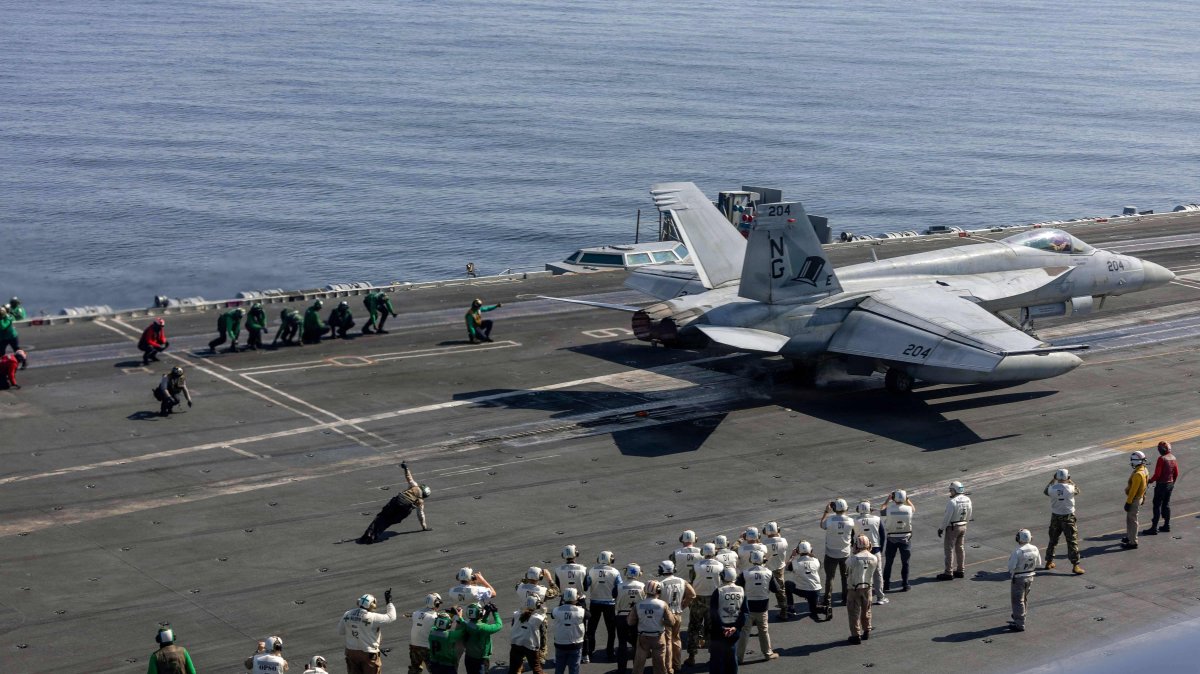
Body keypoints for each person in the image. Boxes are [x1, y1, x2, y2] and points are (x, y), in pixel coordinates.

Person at [358, 462, 431, 543]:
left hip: (398, 500)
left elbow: (409, 477)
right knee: (388, 521)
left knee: (381, 516)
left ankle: (367, 535)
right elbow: (421, 515)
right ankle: (373, 537)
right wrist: (424, 527)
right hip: (405, 509)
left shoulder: (415, 486)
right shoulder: (420, 501)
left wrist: (406, 468)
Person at [735, 550, 779, 663]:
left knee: (745, 631)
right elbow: (776, 589)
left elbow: (737, 587)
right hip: (762, 606)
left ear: (751, 560)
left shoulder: (745, 573)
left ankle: (738, 657)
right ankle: (768, 653)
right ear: (763, 559)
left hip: (748, 606)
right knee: (763, 630)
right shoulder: (768, 572)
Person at [338, 591, 397, 674]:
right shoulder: (372, 617)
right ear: (372, 605)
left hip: (351, 652)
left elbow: (341, 631)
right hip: (368, 653)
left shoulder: (347, 614)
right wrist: (389, 602)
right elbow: (391, 617)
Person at [686, 543, 723, 666]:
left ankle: (691, 656)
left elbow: (691, 579)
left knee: (694, 628)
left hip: (698, 599)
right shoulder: (720, 566)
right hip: (713, 599)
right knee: (712, 629)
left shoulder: (696, 566)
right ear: (714, 552)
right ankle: (713, 655)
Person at [629, 580, 676, 674]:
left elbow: (630, 622)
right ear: (658, 591)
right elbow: (671, 622)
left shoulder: (638, 605)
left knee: (638, 664)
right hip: (658, 637)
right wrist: (661, 621)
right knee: (660, 666)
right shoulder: (663, 604)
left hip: (643, 637)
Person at [1044, 468, 1085, 575]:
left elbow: (1045, 491)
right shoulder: (1070, 488)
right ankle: (1075, 565)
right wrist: (1070, 480)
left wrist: (1053, 480)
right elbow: (1078, 490)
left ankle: (1049, 561)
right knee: (1072, 541)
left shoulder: (1052, 489)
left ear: (1057, 477)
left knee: (1053, 540)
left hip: (1056, 516)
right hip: (1068, 517)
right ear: (1067, 477)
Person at [657, 560, 695, 674]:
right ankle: (677, 664)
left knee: (667, 641)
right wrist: (682, 605)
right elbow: (692, 594)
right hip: (677, 613)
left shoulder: (661, 584)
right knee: (676, 639)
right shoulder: (682, 581)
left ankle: (668, 667)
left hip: (665, 615)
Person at [708, 567, 746, 674]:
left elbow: (713, 613)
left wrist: (722, 628)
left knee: (716, 658)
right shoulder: (741, 590)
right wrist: (736, 627)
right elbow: (745, 612)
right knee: (732, 657)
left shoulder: (718, 591)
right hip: (734, 630)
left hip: (719, 630)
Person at [585, 551, 620, 662]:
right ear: (611, 560)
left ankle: (589, 651)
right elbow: (619, 587)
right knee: (611, 630)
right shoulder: (615, 572)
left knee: (591, 629)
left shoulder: (592, 570)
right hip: (609, 603)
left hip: (595, 602)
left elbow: (586, 585)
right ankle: (610, 652)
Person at [820, 498, 854, 610]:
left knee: (830, 578)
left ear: (834, 509)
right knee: (845, 577)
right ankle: (845, 598)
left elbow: (822, 525)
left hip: (831, 553)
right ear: (846, 509)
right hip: (845, 553)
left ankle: (827, 600)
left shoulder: (830, 520)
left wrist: (826, 511)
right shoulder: (850, 521)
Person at [852, 501, 888, 605]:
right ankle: (880, 597)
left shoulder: (854, 521)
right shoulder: (877, 519)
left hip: (860, 550)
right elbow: (883, 535)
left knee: (860, 574)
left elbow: (851, 536)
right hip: (875, 549)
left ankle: (860, 597)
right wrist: (880, 549)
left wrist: (854, 548)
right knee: (878, 574)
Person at [1007, 529, 1042, 632]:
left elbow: (1011, 567)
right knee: (1024, 598)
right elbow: (1039, 563)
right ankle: (1020, 616)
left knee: (1018, 601)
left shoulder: (1017, 551)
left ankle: (1020, 623)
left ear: (1019, 538)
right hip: (1030, 576)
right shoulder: (1035, 548)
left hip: (1019, 578)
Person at [937, 481, 973, 581]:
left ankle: (948, 572)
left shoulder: (952, 502)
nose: (950, 492)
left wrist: (941, 528)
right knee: (960, 548)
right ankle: (961, 570)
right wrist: (965, 523)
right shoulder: (968, 499)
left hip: (953, 527)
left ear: (955, 490)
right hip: (963, 525)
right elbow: (969, 513)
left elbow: (947, 517)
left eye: (951, 490)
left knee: (949, 549)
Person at [881, 489, 916, 592]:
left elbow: (882, 509)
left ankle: (886, 584)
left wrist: (887, 500)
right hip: (905, 537)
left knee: (889, 562)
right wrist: (907, 499)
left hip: (892, 537)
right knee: (905, 562)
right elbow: (913, 508)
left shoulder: (889, 509)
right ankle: (905, 584)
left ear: (894, 498)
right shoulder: (908, 509)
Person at [846, 535, 878, 645]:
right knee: (867, 610)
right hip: (867, 588)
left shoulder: (853, 559)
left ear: (856, 545)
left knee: (853, 613)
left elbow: (847, 570)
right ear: (869, 545)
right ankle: (867, 630)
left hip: (854, 589)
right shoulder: (874, 558)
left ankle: (856, 635)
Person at [614, 563, 645, 674]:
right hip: (637, 617)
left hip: (622, 616)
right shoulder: (642, 586)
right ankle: (636, 669)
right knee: (637, 644)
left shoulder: (619, 586)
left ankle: (621, 669)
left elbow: (614, 595)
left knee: (622, 643)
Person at [1145, 441, 1180, 534]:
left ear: (1162, 449)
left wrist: (1150, 480)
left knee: (1157, 505)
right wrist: (1172, 483)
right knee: (1166, 505)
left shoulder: (1161, 459)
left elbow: (1157, 474)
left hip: (1161, 485)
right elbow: (1176, 473)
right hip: (1170, 484)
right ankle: (1166, 525)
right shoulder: (1173, 458)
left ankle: (1154, 528)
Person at [510, 595, 549, 674]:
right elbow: (543, 634)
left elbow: (513, 625)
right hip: (531, 645)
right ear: (537, 605)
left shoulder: (517, 614)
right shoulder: (539, 619)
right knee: (536, 667)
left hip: (516, 642)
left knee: (513, 668)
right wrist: (542, 648)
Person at [552, 588, 588, 674]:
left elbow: (553, 615)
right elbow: (588, 615)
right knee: (574, 668)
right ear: (576, 598)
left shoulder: (556, 610)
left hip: (560, 643)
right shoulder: (581, 611)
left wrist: (563, 602)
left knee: (559, 668)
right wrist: (581, 602)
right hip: (575, 644)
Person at [784, 540, 823, 621]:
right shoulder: (816, 561)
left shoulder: (795, 563)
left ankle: (791, 608)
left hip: (803, 590)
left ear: (798, 551)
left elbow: (787, 568)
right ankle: (822, 608)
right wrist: (811, 554)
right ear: (811, 550)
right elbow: (818, 564)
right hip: (815, 590)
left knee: (787, 584)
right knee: (813, 610)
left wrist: (792, 556)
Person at [462, 602, 503, 674]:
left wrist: (486, 614)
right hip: (480, 659)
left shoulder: (466, 624)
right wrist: (495, 612)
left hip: (469, 657)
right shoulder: (483, 628)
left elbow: (479, 623)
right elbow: (499, 625)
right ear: (480, 613)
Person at [760, 522, 789, 620]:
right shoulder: (784, 541)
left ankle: (761, 614)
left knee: (763, 591)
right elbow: (779, 538)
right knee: (781, 590)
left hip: (767, 569)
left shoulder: (763, 544)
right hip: (779, 568)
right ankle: (784, 612)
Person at [408, 594, 442, 674]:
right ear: (436, 604)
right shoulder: (434, 617)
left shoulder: (415, 613)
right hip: (426, 648)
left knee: (414, 669)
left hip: (414, 646)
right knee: (435, 670)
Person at [1123, 451, 1149, 549]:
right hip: (1140, 497)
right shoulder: (1145, 470)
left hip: (1134, 500)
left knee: (1132, 520)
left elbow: (1133, 491)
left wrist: (1128, 502)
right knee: (1130, 519)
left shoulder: (1138, 474)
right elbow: (1146, 485)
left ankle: (1133, 542)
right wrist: (1144, 496)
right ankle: (1130, 537)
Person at [428, 610, 466, 674]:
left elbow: (435, 626)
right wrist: (460, 617)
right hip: (447, 665)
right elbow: (465, 629)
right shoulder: (450, 635)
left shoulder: (432, 632)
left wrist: (447, 617)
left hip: (434, 663)